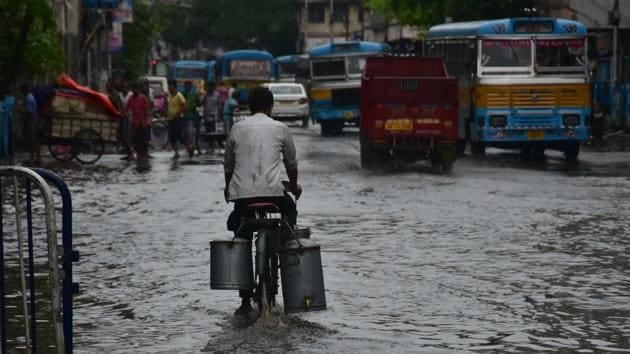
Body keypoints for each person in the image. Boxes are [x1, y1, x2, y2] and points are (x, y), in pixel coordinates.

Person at [224, 87, 302, 315]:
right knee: (290, 216)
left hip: (244, 198)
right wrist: (295, 186)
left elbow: (228, 166)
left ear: (249, 107)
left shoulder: (237, 128)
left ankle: (245, 301)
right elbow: (292, 164)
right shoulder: (280, 128)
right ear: (270, 107)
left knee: (240, 235)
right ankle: (284, 250)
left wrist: (228, 189)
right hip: (274, 196)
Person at [166, 79, 192, 159]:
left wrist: (178, 113)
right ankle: (176, 153)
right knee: (172, 137)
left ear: (175, 86)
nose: (170, 87)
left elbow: (185, 106)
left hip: (178, 119)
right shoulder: (169, 96)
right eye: (169, 85)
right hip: (170, 118)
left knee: (179, 136)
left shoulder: (179, 95)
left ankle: (189, 147)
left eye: (171, 85)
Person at [125, 83, 152, 160]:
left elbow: (147, 110)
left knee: (144, 140)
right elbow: (127, 108)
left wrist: (144, 121)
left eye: (135, 89)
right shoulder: (131, 98)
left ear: (138, 89)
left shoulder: (143, 98)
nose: (133, 91)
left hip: (143, 122)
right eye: (132, 89)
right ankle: (139, 153)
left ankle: (144, 154)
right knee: (135, 139)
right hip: (135, 122)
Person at [19, 83, 40, 163]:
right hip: (32, 118)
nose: (21, 92)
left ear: (25, 90)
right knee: (33, 139)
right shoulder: (29, 96)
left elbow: (28, 111)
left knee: (31, 139)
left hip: (30, 119)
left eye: (21, 90)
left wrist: (20, 110)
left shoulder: (28, 98)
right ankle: (37, 157)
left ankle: (33, 157)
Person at [115, 81, 134, 161]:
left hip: (130, 117)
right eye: (123, 87)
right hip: (122, 116)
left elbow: (132, 105)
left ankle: (131, 154)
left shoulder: (131, 95)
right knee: (121, 136)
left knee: (127, 136)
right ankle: (128, 153)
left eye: (125, 87)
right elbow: (118, 105)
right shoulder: (119, 95)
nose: (124, 89)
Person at [182, 81, 200, 155]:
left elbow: (198, 103)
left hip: (190, 116)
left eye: (188, 86)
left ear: (191, 87)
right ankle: (188, 147)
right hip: (182, 116)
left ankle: (191, 146)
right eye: (186, 86)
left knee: (190, 133)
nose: (187, 87)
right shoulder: (181, 94)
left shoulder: (194, 95)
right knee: (183, 133)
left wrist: (193, 105)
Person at [202, 81, 221, 152]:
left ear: (213, 87)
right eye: (208, 87)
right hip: (206, 115)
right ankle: (208, 147)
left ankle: (212, 147)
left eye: (210, 87)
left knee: (212, 131)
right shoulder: (205, 94)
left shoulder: (217, 95)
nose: (209, 88)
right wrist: (205, 96)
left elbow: (219, 106)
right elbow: (202, 103)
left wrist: (219, 116)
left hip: (214, 115)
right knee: (207, 131)